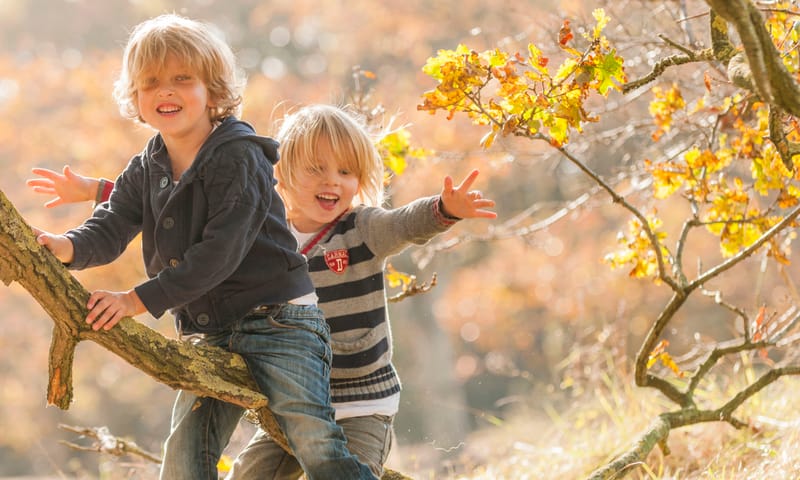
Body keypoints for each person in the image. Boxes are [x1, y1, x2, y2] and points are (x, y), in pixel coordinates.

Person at [28, 104, 497, 478]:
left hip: (358, 402)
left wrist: (443, 210)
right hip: (285, 398)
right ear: (280, 174)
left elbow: (404, 224)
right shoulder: (264, 232)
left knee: (334, 463)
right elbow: (184, 202)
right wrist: (98, 190)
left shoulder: (363, 228)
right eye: (316, 168)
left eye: (346, 172)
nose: (332, 181)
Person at [28, 15, 376, 480]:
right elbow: (113, 223)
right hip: (209, 331)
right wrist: (65, 247)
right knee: (184, 459)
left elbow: (219, 254)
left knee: (314, 441)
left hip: (279, 321)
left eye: (181, 79)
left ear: (213, 91)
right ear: (135, 98)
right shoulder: (148, 165)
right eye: (150, 82)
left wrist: (136, 300)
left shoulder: (239, 155)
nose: (165, 91)